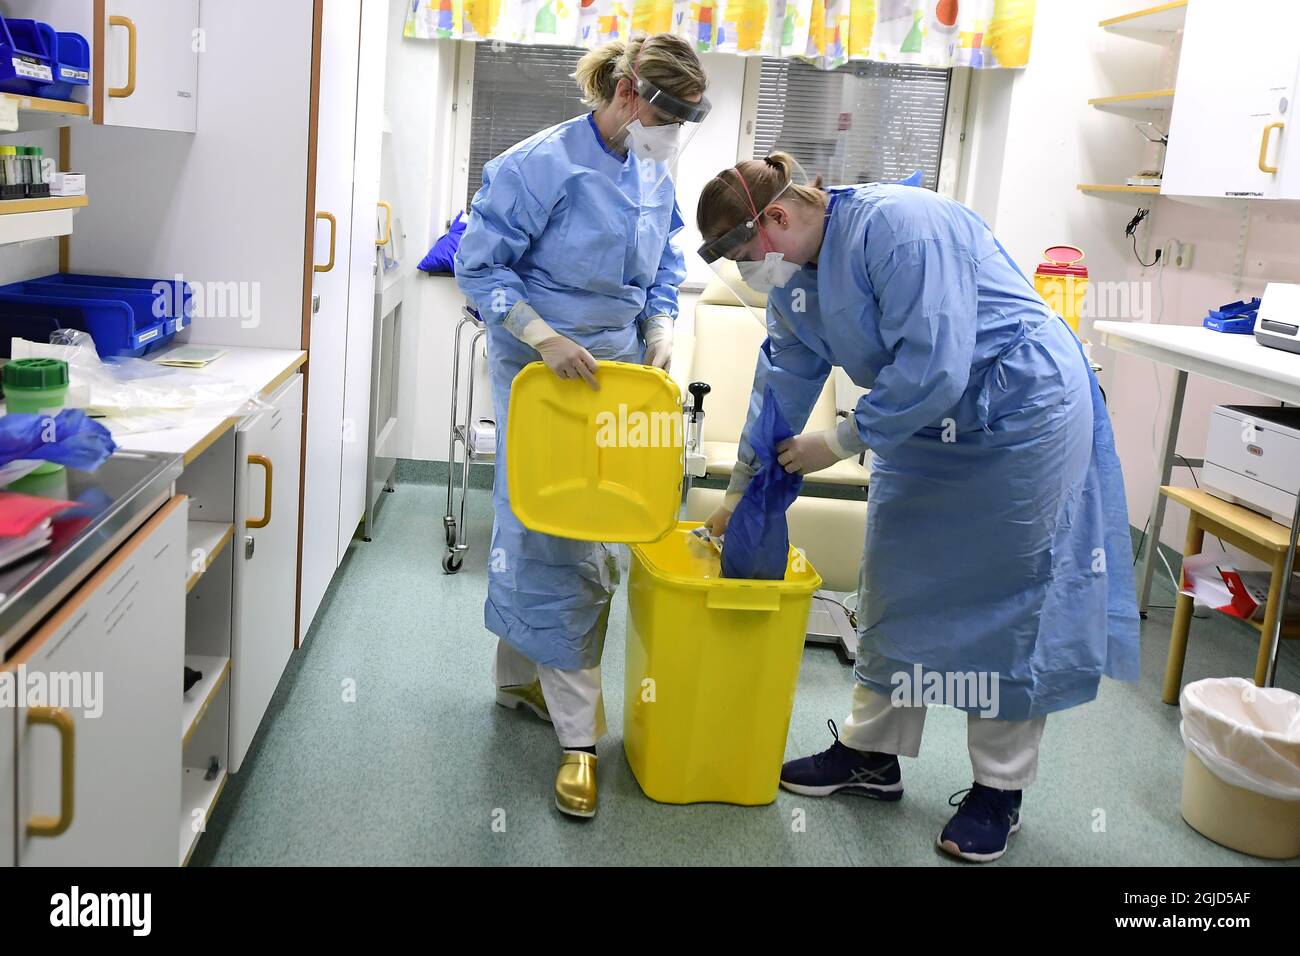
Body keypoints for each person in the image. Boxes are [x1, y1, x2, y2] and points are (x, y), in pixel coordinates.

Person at [696, 153, 1139, 862]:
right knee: (897, 578)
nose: (754, 274)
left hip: (1019, 409)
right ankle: (872, 756)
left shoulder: (901, 229)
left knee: (1010, 593)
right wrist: (740, 488)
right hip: (922, 420)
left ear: (778, 218)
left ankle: (999, 790)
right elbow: (780, 380)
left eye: (751, 256)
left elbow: (935, 365)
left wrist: (837, 441)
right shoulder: (793, 282)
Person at [454, 34, 709, 819]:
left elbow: (665, 260)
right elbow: (478, 263)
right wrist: (541, 334)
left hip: (620, 378)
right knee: (554, 534)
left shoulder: (652, 168)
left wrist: (662, 326)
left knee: (581, 531)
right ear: (629, 95)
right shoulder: (542, 163)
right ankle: (577, 743)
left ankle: (518, 683)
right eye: (672, 117)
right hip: (545, 376)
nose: (675, 137)